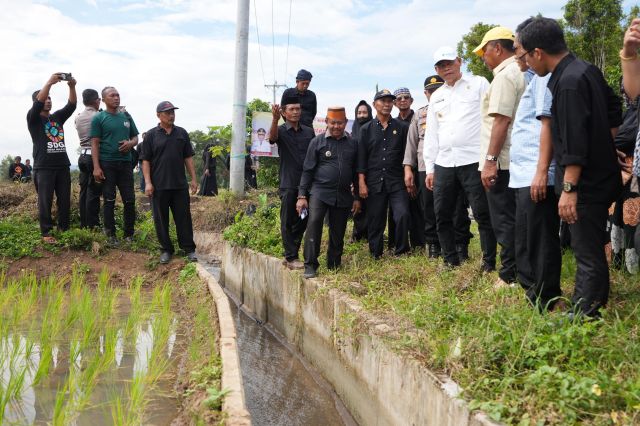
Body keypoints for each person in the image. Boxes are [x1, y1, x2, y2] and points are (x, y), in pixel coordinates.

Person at [519, 17, 623, 318]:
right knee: (589, 243)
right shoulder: (585, 69)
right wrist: (606, 144)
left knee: (585, 249)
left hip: (585, 182)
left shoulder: (567, 84)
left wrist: (569, 188)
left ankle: (585, 312)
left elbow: (574, 142)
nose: (524, 62)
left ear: (538, 52)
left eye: (524, 55)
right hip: (599, 173)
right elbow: (613, 107)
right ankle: (591, 301)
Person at [424, 46, 497, 270]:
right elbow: (432, 134)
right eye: (441, 66)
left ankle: (488, 261)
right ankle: (450, 259)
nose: (446, 68)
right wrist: (430, 167)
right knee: (442, 213)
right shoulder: (437, 96)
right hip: (445, 162)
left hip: (474, 159)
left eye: (449, 63)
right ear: (437, 69)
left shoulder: (479, 84)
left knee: (482, 213)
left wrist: (489, 159)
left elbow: (492, 120)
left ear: (459, 61)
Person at [509, 19, 562, 310]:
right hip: (524, 172)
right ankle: (533, 292)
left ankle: (548, 297)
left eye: (518, 48)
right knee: (527, 236)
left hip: (535, 172)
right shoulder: (532, 79)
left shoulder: (543, 79)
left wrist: (542, 171)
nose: (517, 54)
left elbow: (547, 126)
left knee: (542, 238)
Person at [474, 26, 527, 286]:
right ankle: (520, 270)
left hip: (503, 161)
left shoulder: (505, 76)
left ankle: (509, 276)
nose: (483, 57)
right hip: (516, 158)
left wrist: (490, 161)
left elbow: (501, 121)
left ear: (497, 48)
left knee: (504, 219)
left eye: (485, 51)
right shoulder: (522, 71)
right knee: (515, 218)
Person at [403, 75, 472, 258]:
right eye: (430, 91)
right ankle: (434, 244)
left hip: (451, 164)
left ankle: (460, 244)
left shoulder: (455, 109)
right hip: (426, 166)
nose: (434, 94)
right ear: (425, 93)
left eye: (437, 89)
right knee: (429, 208)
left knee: (456, 207)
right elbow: (412, 142)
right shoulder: (420, 114)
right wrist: (408, 168)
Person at [296, 107, 361, 278]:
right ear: (326, 122)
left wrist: (356, 197)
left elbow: (355, 171)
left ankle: (334, 263)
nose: (337, 126)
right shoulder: (317, 142)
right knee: (314, 224)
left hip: (343, 194)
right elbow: (307, 170)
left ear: (346, 123)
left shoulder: (352, 143)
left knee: (338, 231)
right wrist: (302, 196)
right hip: (320, 192)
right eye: (333, 123)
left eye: (340, 123)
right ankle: (310, 265)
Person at [141, 101, 198, 264]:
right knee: (161, 219)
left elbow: (188, 157)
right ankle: (166, 250)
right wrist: (148, 183)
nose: (171, 115)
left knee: (184, 218)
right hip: (158, 186)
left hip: (179, 185)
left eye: (173, 112)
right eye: (167, 113)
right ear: (159, 115)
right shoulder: (151, 135)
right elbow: (145, 160)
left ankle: (189, 249)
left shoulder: (182, 133)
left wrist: (193, 179)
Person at [358, 89, 411, 258]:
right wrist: (361, 182)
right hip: (374, 181)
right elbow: (361, 158)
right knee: (375, 219)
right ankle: (376, 253)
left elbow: (406, 155)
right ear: (374, 105)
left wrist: (409, 175)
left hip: (397, 181)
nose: (387, 104)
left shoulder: (402, 127)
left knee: (402, 214)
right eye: (383, 101)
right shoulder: (366, 129)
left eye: (389, 101)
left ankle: (401, 250)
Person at [26, 73, 77, 243]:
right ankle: (46, 233)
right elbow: (38, 103)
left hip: (62, 165)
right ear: (37, 101)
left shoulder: (56, 118)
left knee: (64, 201)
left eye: (50, 98)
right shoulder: (33, 118)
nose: (48, 100)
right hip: (44, 167)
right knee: (45, 201)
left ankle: (64, 229)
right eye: (45, 98)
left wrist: (71, 86)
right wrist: (48, 82)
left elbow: (71, 105)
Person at [269, 95, 315, 269]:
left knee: (304, 218)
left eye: (298, 109)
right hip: (288, 183)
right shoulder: (280, 130)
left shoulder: (308, 131)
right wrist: (274, 120)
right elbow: (272, 138)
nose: (296, 112)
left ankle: (291, 254)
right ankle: (291, 257)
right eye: (291, 109)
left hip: (307, 185)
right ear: (284, 112)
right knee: (288, 220)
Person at [90, 86, 139, 244]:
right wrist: (96, 167)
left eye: (118, 95)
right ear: (103, 99)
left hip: (125, 164)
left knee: (129, 200)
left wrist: (130, 144)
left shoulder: (126, 116)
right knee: (109, 200)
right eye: (112, 95)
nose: (116, 98)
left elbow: (135, 138)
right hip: (107, 164)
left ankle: (129, 235)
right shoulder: (99, 118)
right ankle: (110, 234)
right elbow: (95, 143)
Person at [75, 88, 102, 229]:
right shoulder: (99, 116)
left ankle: (84, 223)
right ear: (95, 100)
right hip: (94, 157)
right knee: (94, 192)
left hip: (83, 156)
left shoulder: (78, 117)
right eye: (99, 99)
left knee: (84, 191)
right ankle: (93, 225)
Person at [350, 100, 373, 242]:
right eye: (359, 113)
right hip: (356, 173)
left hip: (372, 172)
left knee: (372, 205)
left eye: (365, 112)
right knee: (358, 203)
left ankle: (371, 233)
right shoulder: (354, 130)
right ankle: (357, 234)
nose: (362, 115)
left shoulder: (374, 129)